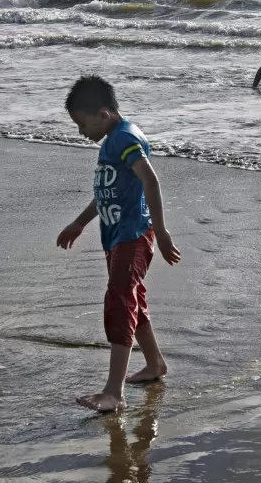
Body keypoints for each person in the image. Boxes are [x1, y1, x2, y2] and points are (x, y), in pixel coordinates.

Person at [57, 76, 182, 412]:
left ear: (103, 114)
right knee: (132, 301)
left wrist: (162, 230)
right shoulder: (112, 141)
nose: (81, 132)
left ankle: (114, 391)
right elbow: (106, 193)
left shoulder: (124, 137)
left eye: (82, 124)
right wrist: (79, 222)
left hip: (133, 236)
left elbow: (150, 179)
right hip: (117, 238)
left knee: (119, 301)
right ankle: (155, 364)